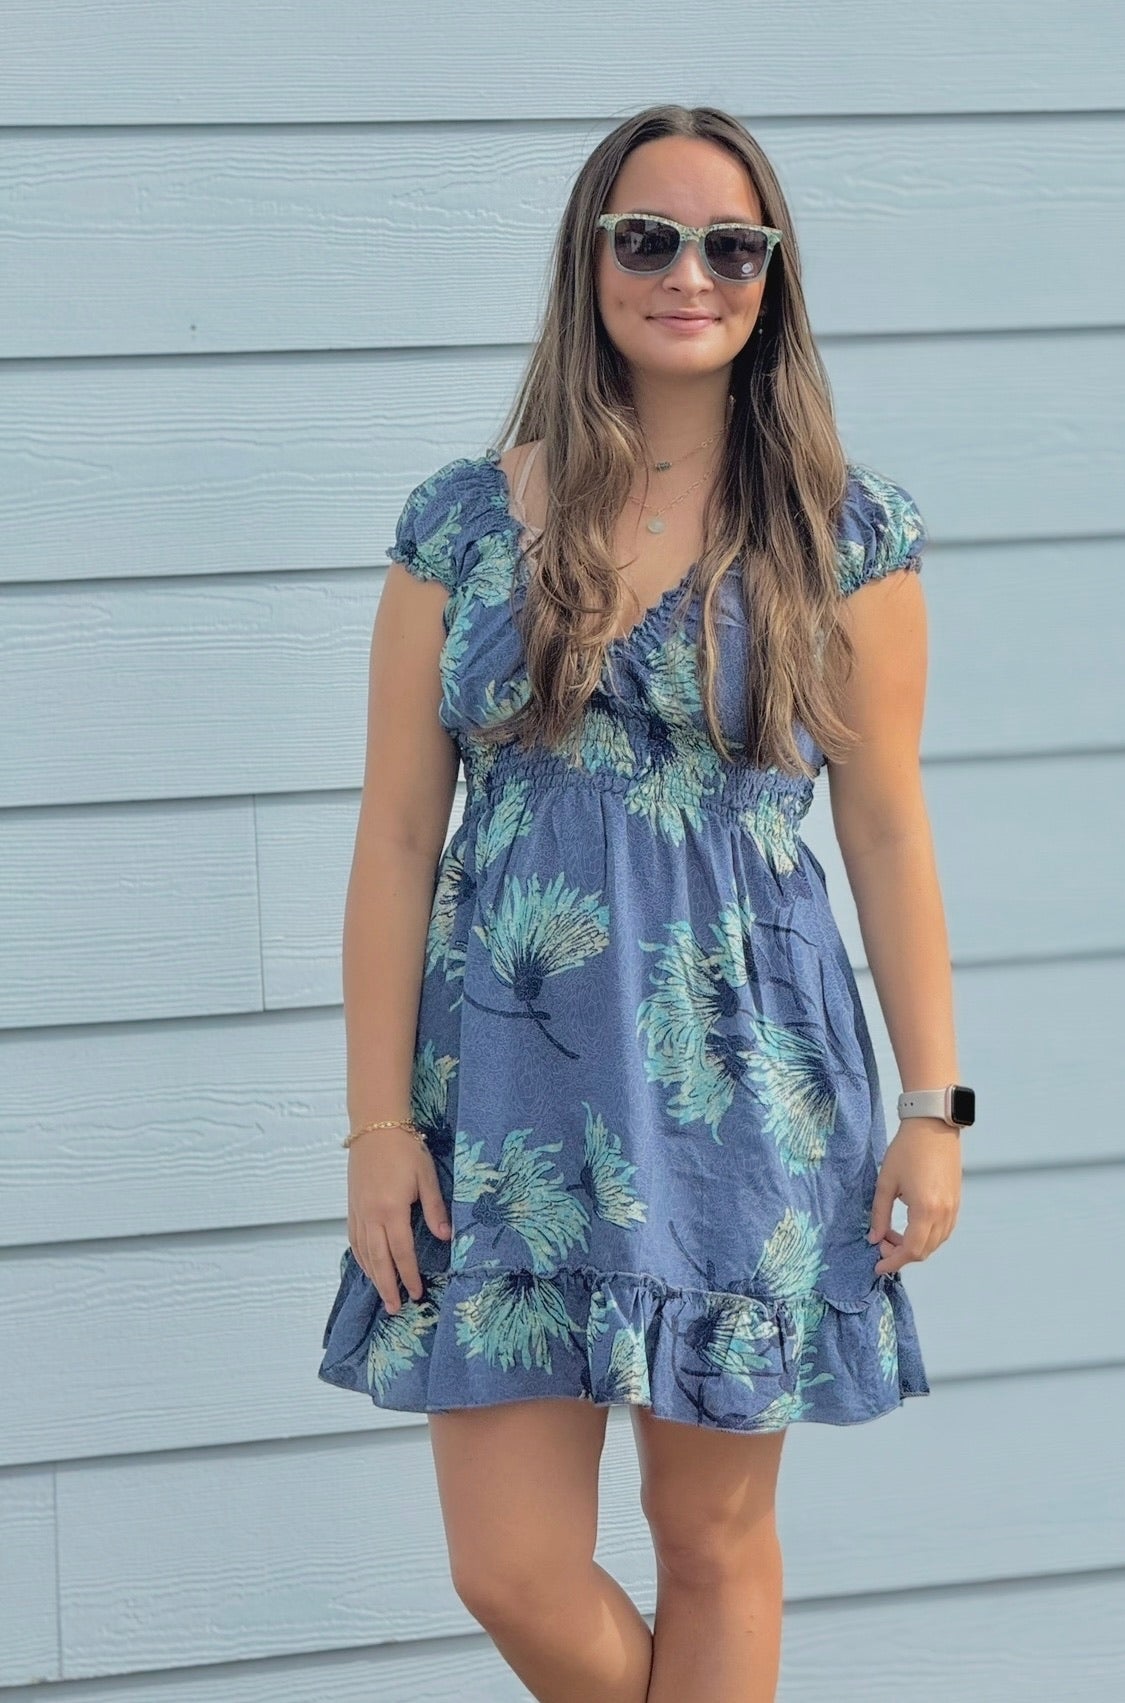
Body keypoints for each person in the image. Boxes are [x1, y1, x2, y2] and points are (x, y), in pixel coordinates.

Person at [318, 102, 966, 1703]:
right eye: (650, 238)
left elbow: (886, 831)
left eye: (731, 246)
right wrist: (377, 1127)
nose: (690, 274)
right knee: (513, 1568)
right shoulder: (461, 524)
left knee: (711, 1542)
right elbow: (395, 840)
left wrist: (932, 1106)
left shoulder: (843, 536)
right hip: (504, 1098)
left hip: (740, 1084)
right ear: (590, 258)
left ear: (771, 277)